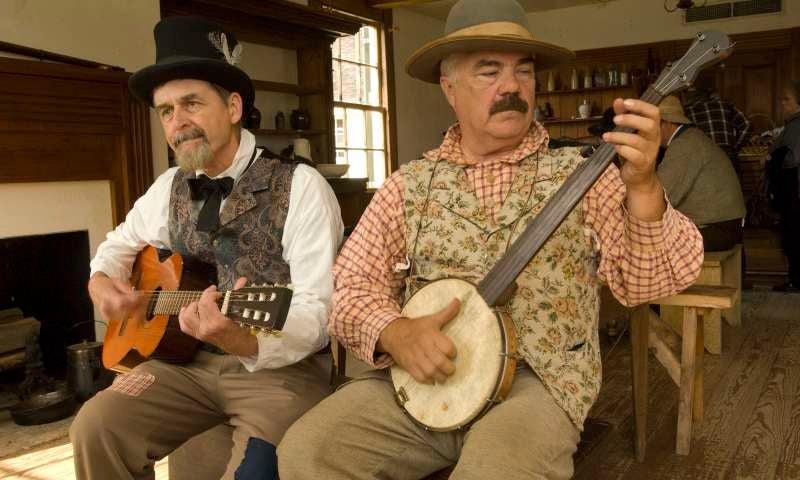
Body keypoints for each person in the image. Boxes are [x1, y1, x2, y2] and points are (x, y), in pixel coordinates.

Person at [277, 1, 703, 479]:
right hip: (422, 381)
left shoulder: (587, 175)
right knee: (307, 450)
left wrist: (643, 187)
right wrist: (395, 332)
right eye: (489, 71)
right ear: (449, 88)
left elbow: (652, 283)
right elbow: (350, 288)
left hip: (536, 385)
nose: (511, 86)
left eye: (523, 71)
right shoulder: (409, 185)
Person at [69, 16, 343, 480]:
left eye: (191, 103)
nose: (178, 123)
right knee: (95, 426)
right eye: (166, 111)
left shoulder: (301, 186)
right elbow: (118, 244)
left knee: (254, 472)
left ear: (233, 107)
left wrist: (241, 337)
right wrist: (100, 281)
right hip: (182, 364)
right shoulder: (167, 187)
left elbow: (318, 313)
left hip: (279, 372)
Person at [657, 95, 746, 252]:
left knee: (648, 246)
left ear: (666, 123)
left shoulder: (683, 145)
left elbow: (661, 195)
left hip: (716, 229)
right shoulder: (692, 137)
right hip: (725, 225)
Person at [767, 80, 800, 291]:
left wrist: (770, 158)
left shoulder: (796, 125)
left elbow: (791, 158)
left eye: (786, 99)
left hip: (795, 190)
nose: (782, 103)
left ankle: (796, 281)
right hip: (793, 190)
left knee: (793, 236)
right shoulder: (792, 124)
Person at [683, 86, 752, 173]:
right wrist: (734, 147)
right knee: (733, 185)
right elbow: (746, 125)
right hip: (727, 153)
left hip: (704, 157)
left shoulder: (687, 111)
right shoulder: (724, 104)